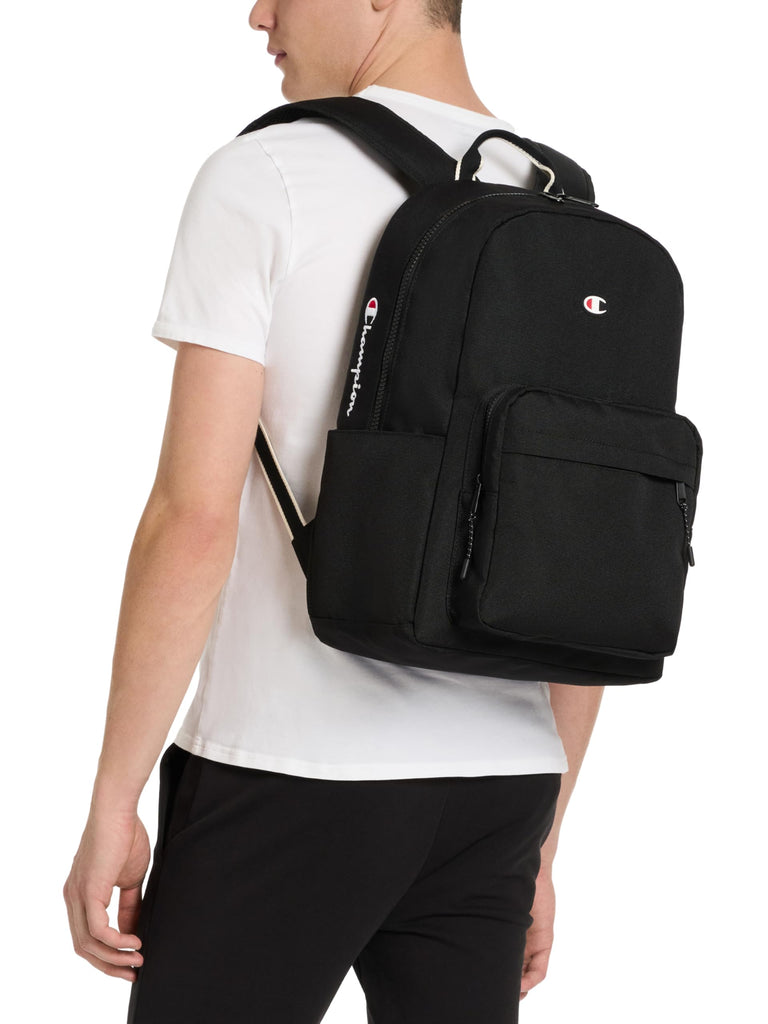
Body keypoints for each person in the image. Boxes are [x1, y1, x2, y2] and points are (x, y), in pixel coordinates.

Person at [63, 2, 605, 1021]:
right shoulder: (566, 210)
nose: (257, 14)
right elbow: (588, 566)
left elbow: (191, 518)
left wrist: (112, 801)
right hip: (502, 788)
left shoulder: (267, 177)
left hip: (292, 771)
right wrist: (545, 838)